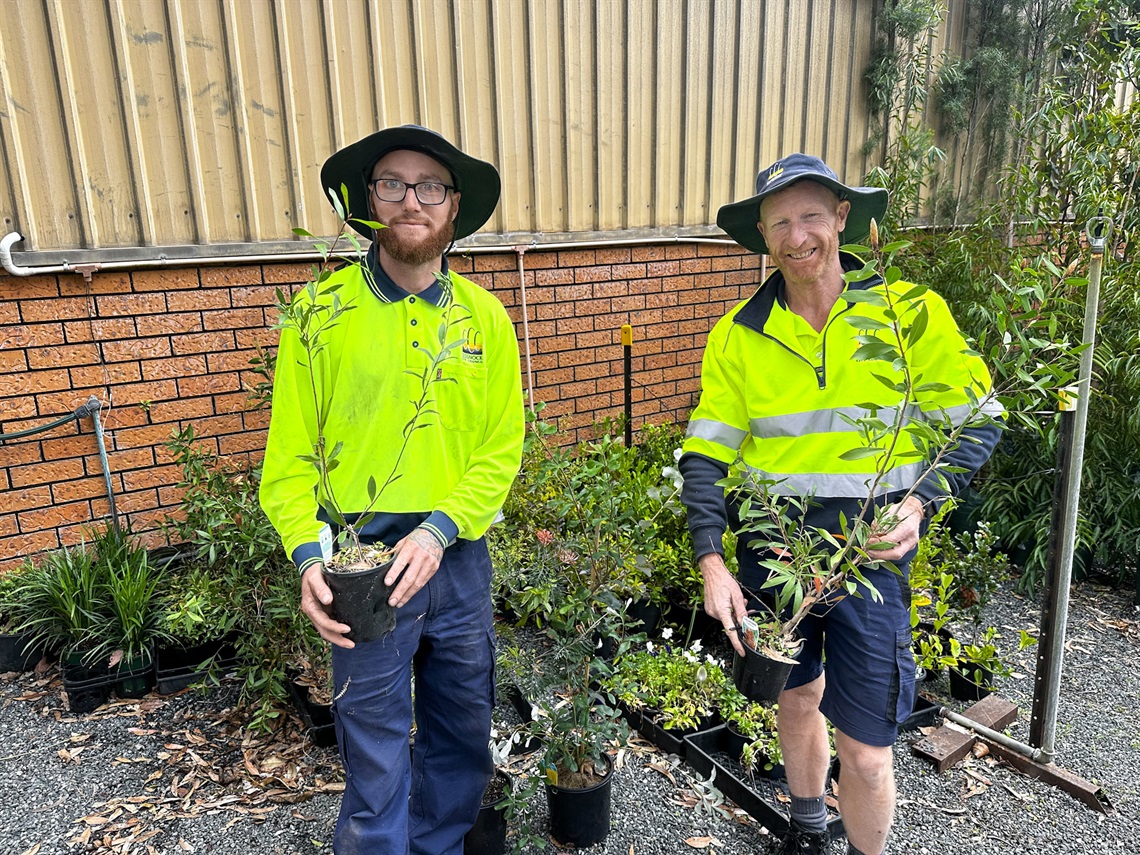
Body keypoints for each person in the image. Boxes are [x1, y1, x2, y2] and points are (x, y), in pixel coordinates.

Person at [679, 154, 1002, 855]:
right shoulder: (739, 334)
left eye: (812, 216)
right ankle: (804, 826)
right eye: (781, 222)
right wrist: (711, 557)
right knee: (794, 700)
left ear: (843, 219)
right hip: (774, 557)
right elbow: (704, 456)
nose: (798, 237)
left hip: (870, 561)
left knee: (867, 751)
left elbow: (979, 419)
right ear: (763, 234)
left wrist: (919, 505)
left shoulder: (906, 313)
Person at [260, 125, 524, 854]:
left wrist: (441, 529)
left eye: (430, 186)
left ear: (453, 207)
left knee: (461, 734)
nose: (412, 200)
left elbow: (502, 447)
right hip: (361, 563)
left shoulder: (486, 320)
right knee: (373, 747)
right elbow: (288, 461)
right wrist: (310, 560)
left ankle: (436, 844)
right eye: (393, 184)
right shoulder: (319, 314)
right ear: (369, 201)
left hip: (457, 558)